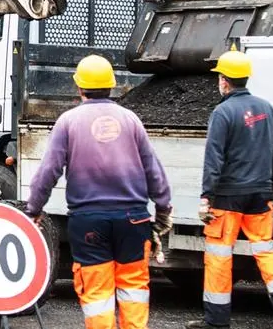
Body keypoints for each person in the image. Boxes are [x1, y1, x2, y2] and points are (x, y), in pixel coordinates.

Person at [25, 54, 173, 329]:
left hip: (89, 222)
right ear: (112, 86)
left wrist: (34, 209)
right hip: (133, 220)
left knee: (98, 295)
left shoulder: (68, 122)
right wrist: (163, 209)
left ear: (79, 87)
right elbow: (154, 170)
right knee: (133, 291)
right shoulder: (130, 120)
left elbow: (48, 171)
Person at [185, 50, 273, 329]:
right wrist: (272, 187)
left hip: (228, 197)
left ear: (224, 81)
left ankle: (217, 320)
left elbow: (214, 158)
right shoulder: (266, 108)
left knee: (219, 255)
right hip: (260, 193)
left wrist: (206, 196)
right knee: (265, 249)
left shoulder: (222, 112)